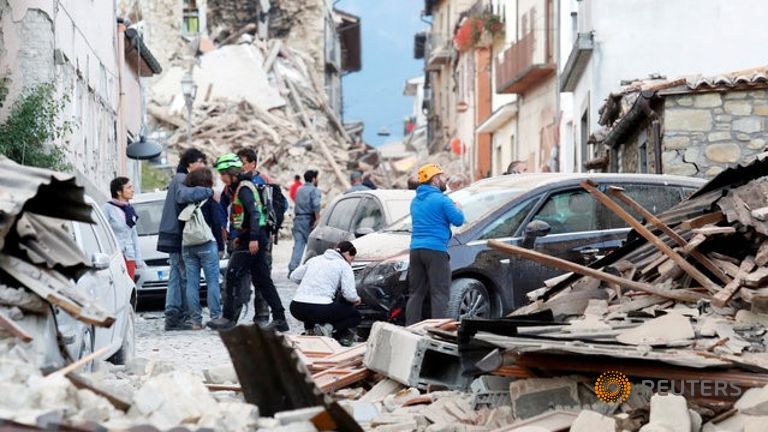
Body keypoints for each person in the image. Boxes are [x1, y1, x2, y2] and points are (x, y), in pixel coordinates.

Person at [208, 154, 289, 332]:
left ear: (232, 173)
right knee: (263, 281)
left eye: (223, 174)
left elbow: (254, 213)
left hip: (253, 240)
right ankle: (280, 318)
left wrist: (252, 238)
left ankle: (228, 318)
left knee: (232, 275)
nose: (221, 178)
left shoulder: (244, 188)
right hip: (249, 238)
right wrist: (241, 236)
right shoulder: (239, 187)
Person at [157, 149, 213, 331]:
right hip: (177, 236)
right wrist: (207, 191)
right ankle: (176, 316)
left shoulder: (178, 178)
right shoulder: (181, 179)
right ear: (191, 163)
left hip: (172, 235)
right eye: (201, 162)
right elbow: (183, 196)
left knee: (176, 275)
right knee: (180, 277)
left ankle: (173, 315)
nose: (203, 166)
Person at [406, 163, 465, 325]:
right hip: (435, 251)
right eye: (442, 177)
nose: (445, 180)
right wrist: (458, 208)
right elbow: (458, 220)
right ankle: (438, 329)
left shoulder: (415, 201)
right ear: (434, 180)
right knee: (439, 293)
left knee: (416, 293)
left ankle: (410, 328)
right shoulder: (442, 200)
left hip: (416, 250)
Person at [289, 241, 361, 345]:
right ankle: (327, 329)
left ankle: (310, 331)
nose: (351, 262)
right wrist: (357, 299)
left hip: (296, 307)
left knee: (312, 306)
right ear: (348, 253)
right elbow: (349, 294)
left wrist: (310, 284)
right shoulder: (344, 265)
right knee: (355, 316)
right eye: (351, 259)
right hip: (320, 309)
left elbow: (294, 276)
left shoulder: (315, 260)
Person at [182, 169, 224, 330]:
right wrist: (220, 247)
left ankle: (196, 321)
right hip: (207, 244)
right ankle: (215, 317)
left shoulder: (185, 201)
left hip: (188, 245)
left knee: (192, 284)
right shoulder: (210, 201)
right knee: (212, 281)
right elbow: (217, 224)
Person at [103, 177, 142, 280]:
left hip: (129, 256)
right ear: (119, 192)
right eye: (129, 188)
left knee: (129, 291)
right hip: (114, 256)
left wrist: (138, 259)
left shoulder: (129, 210)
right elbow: (102, 231)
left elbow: (134, 236)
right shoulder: (108, 208)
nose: (132, 190)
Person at [288, 169, 321, 275]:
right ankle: (309, 270)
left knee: (298, 245)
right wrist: (318, 219)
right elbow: (316, 205)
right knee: (312, 246)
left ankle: (292, 269)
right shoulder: (314, 190)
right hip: (309, 221)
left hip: (298, 220)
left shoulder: (299, 189)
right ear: (313, 179)